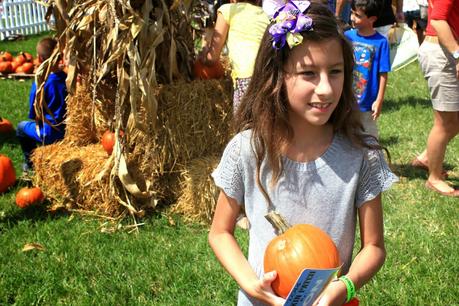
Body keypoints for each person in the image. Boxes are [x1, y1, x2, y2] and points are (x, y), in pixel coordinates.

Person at [208, 1, 398, 305]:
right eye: (308, 73)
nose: (325, 89)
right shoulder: (248, 149)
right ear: (278, 76)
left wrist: (345, 287)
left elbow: (374, 247)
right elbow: (219, 233)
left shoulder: (362, 156)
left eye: (335, 72)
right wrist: (252, 285)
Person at [412, 0, 459, 197]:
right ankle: (434, 178)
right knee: (445, 122)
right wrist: (458, 55)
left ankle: (425, 158)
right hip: (442, 53)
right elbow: (438, 20)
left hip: (446, 50)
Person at [199, 0, 269, 112]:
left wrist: (203, 56)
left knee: (244, 124)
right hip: (268, 76)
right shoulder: (264, 14)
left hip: (246, 77)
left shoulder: (228, 10)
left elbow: (212, 58)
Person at [16, 37, 67, 172]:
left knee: (21, 128)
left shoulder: (41, 83)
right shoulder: (67, 78)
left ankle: (29, 164)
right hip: (67, 131)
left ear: (39, 58)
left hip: (49, 133)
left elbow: (34, 113)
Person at [345, 0, 391, 138]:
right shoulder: (347, 37)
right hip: (346, 99)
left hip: (367, 102)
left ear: (372, 19)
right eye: (352, 13)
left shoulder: (381, 42)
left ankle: (372, 160)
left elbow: (383, 73)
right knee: (345, 134)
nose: (353, 17)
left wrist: (379, 100)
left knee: (368, 137)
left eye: (358, 15)